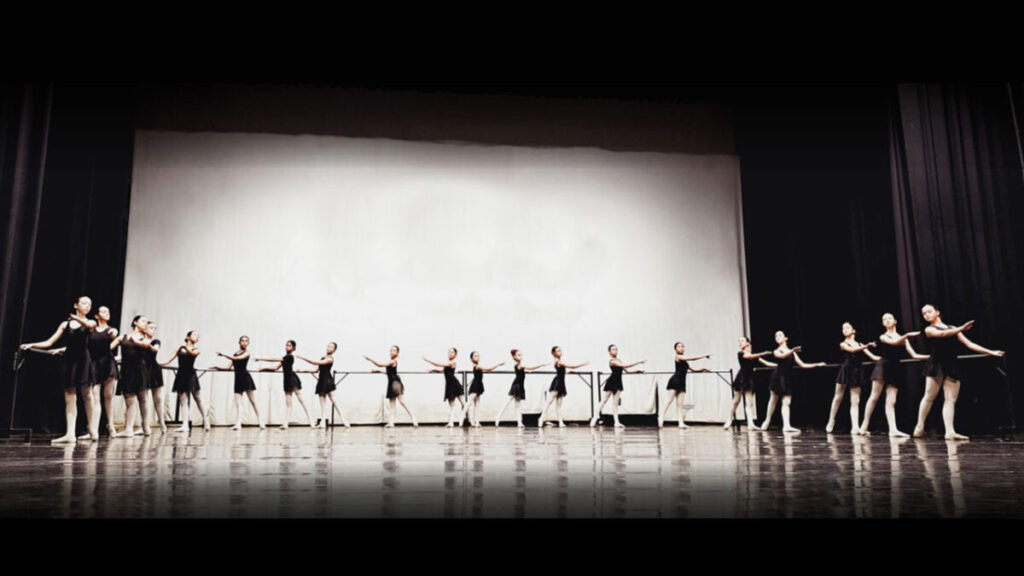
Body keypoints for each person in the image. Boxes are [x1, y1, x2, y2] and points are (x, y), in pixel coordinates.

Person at [913, 304, 1004, 440]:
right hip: (936, 364)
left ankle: (950, 431)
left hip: (951, 364)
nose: (926, 315)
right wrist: (961, 328)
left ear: (937, 312)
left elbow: (969, 344)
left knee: (950, 399)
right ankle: (920, 425)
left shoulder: (952, 328)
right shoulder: (929, 329)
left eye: (929, 311)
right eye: (924, 313)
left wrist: (991, 352)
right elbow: (942, 334)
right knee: (929, 396)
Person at [19, 296, 97, 443]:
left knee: (87, 393)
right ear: (76, 305)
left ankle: (92, 427)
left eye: (89, 304)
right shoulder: (65, 324)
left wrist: (77, 318)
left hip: (83, 360)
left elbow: (88, 326)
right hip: (69, 360)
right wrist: (31, 345)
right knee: (69, 396)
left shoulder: (91, 322)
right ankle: (70, 434)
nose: (87, 306)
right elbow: (49, 342)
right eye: (84, 303)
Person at [858, 313, 928, 437]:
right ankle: (864, 426)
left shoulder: (903, 338)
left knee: (891, 401)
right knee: (874, 397)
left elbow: (914, 355)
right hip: (882, 367)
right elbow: (894, 342)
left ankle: (893, 429)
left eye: (889, 318)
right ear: (883, 323)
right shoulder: (883, 336)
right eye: (884, 319)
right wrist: (906, 335)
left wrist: (931, 357)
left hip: (895, 369)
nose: (887, 320)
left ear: (895, 321)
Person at [758, 331, 826, 434]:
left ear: (785, 338)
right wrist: (792, 350)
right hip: (777, 377)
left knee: (786, 402)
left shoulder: (792, 353)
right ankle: (767, 421)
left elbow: (802, 365)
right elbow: (782, 356)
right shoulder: (777, 351)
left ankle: (786, 425)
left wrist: (817, 364)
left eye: (780, 335)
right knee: (773, 400)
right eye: (776, 336)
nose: (777, 337)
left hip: (787, 378)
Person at [825, 322, 881, 434]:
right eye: (843, 328)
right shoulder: (843, 344)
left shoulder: (860, 344)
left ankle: (855, 426)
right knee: (837, 397)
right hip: (846, 370)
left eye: (847, 328)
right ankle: (831, 420)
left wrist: (885, 359)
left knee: (855, 401)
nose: (845, 330)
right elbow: (853, 350)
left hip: (856, 371)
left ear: (853, 330)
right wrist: (866, 346)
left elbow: (873, 357)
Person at [257, 340, 314, 429]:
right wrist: (263, 368)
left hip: (292, 379)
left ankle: (311, 420)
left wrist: (260, 359)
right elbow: (275, 368)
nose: (287, 347)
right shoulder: (284, 358)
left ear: (293, 348)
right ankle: (285, 423)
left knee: (301, 399)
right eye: (286, 345)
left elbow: (274, 359)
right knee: (288, 404)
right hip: (286, 380)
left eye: (289, 345)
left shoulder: (290, 357)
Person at [723, 336, 775, 430]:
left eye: (742, 341)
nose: (740, 343)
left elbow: (766, 363)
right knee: (736, 400)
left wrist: (779, 366)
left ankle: (750, 424)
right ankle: (729, 419)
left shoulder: (754, 355)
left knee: (749, 402)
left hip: (750, 379)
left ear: (748, 343)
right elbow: (749, 356)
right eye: (739, 341)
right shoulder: (740, 353)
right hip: (741, 378)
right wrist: (763, 353)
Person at [162, 330, 209, 433]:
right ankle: (185, 425)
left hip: (191, 375)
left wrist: (186, 347)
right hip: (181, 375)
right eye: (195, 335)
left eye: (198, 336)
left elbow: (192, 353)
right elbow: (169, 360)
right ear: (188, 337)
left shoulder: (196, 349)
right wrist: (158, 364)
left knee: (198, 398)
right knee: (183, 401)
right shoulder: (180, 348)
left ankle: (205, 419)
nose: (197, 337)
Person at [215, 335, 265, 430]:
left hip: (245, 378)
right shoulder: (235, 354)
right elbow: (228, 367)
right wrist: (217, 367)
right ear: (239, 342)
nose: (244, 342)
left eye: (246, 341)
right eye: (242, 341)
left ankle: (261, 421)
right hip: (238, 379)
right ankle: (238, 423)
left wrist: (224, 355)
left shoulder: (247, 353)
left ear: (248, 343)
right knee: (238, 403)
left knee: (253, 401)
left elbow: (237, 359)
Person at [590, 345, 645, 429]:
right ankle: (594, 418)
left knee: (615, 403)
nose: (615, 351)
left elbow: (627, 371)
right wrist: (638, 362)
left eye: (616, 349)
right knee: (604, 400)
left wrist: (638, 371)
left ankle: (616, 422)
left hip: (618, 382)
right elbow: (626, 366)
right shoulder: (612, 361)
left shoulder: (619, 360)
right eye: (613, 349)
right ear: (609, 352)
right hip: (612, 381)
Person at [658, 342, 711, 429]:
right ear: (675, 350)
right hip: (675, 380)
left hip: (682, 382)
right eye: (679, 346)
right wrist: (704, 356)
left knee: (680, 404)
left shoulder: (685, 361)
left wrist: (703, 369)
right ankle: (661, 417)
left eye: (683, 346)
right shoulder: (678, 357)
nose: (682, 348)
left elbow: (693, 370)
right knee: (669, 400)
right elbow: (692, 358)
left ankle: (681, 423)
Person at [298, 342, 350, 428]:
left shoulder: (330, 359)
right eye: (328, 346)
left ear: (334, 350)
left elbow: (314, 362)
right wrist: (303, 370)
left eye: (331, 347)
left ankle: (344, 420)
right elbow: (316, 370)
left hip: (327, 380)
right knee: (322, 403)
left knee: (334, 400)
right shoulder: (323, 357)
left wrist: (303, 357)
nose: (329, 348)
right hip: (321, 380)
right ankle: (322, 422)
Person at [364, 346, 418, 427]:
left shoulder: (393, 361)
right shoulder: (391, 361)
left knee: (402, 401)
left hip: (395, 382)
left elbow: (379, 364)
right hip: (392, 382)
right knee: (392, 404)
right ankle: (391, 422)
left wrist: (370, 359)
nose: (392, 352)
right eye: (391, 350)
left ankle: (413, 417)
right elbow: (389, 372)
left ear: (397, 353)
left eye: (394, 350)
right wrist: (378, 371)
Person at [89, 305, 120, 437]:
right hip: (95, 364)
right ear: (97, 316)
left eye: (108, 311)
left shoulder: (111, 329)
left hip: (108, 363)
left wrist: (113, 333)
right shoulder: (91, 330)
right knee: (95, 397)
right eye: (103, 311)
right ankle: (93, 428)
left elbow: (114, 335)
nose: (107, 313)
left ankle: (110, 425)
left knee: (108, 396)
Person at [538, 346, 588, 428]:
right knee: (549, 401)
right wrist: (584, 364)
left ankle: (560, 422)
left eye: (560, 350)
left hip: (561, 383)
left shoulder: (559, 361)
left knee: (559, 405)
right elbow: (573, 366)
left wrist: (568, 372)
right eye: (558, 351)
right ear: (554, 353)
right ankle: (541, 418)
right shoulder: (558, 361)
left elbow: (561, 372)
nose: (560, 352)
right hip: (557, 383)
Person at [495, 349, 546, 428]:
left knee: (517, 405)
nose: (521, 356)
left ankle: (519, 422)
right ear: (514, 357)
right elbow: (531, 368)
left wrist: (525, 372)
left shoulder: (519, 365)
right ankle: (498, 416)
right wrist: (541, 365)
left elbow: (521, 372)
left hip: (520, 386)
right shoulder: (519, 365)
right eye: (518, 355)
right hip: (516, 386)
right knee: (508, 402)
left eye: (521, 355)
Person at [423, 348, 465, 427]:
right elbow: (442, 370)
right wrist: (433, 370)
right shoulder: (448, 364)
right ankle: (451, 422)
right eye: (449, 352)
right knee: (452, 405)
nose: (449, 353)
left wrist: (427, 360)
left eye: (452, 352)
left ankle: (471, 420)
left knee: (464, 403)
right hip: (450, 385)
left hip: (455, 384)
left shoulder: (452, 363)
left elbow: (438, 364)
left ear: (455, 355)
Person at [459, 352, 503, 427]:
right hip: (475, 385)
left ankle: (476, 422)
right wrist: (498, 365)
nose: (478, 357)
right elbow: (489, 369)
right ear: (471, 359)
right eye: (475, 356)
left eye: (478, 356)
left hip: (478, 385)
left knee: (477, 404)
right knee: (469, 403)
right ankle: (462, 418)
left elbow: (486, 370)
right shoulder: (477, 366)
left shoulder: (478, 367)